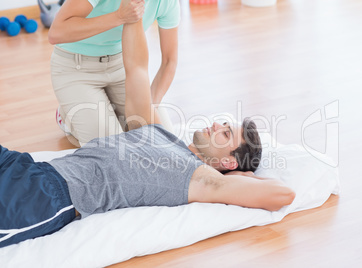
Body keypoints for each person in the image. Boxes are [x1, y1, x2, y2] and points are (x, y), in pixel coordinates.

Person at [0, 17, 295, 248]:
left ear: (229, 162)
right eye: (224, 124)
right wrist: (131, 16)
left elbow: (284, 194)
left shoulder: (202, 179)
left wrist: (238, 178)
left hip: (44, 195)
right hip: (26, 166)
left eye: (226, 134)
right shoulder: (159, 133)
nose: (218, 124)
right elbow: (137, 69)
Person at [48, 0, 179, 146]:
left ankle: (106, 111)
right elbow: (56, 33)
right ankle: (67, 116)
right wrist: (120, 16)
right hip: (76, 69)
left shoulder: (167, 2)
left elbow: (169, 61)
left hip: (122, 65)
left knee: (163, 141)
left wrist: (150, 106)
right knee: (111, 147)